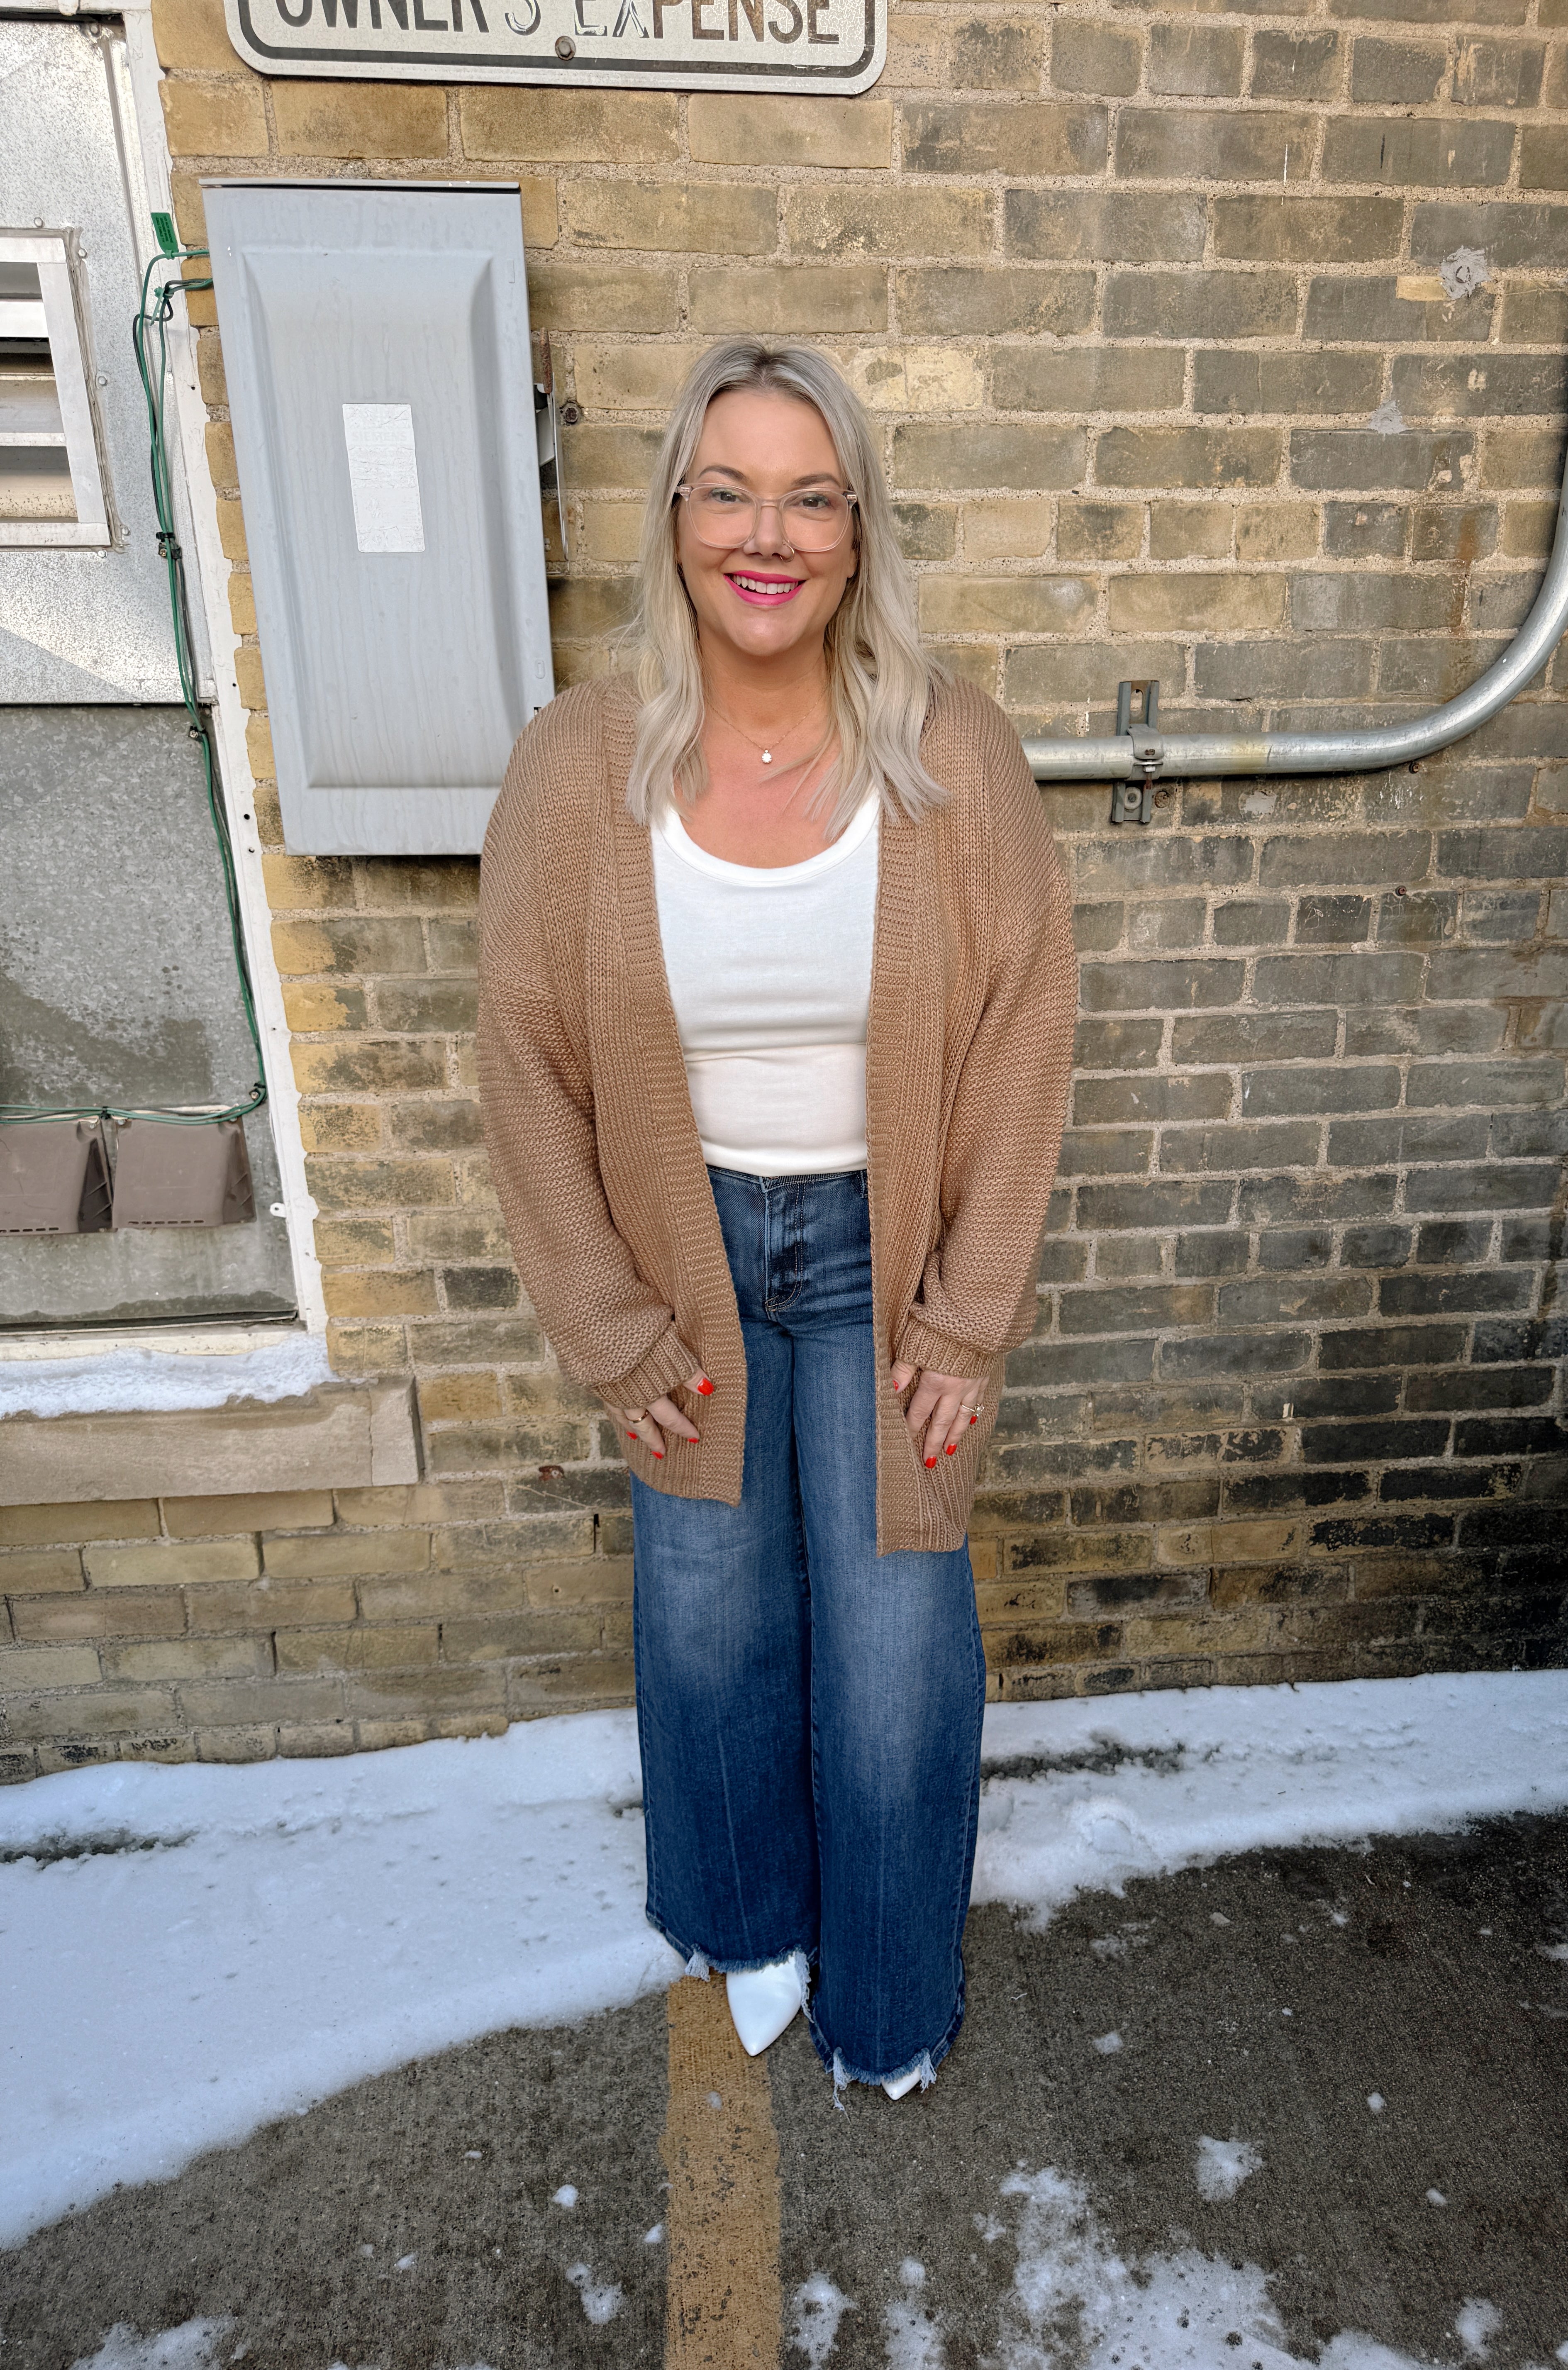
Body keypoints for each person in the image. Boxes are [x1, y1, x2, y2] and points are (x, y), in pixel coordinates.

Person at [478, 339, 1075, 2103]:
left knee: (896, 1645)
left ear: (857, 526)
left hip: (884, 1267)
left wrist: (968, 1321)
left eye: (813, 496)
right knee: (710, 1623)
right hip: (689, 1258)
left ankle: (887, 1996)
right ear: (674, 515)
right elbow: (520, 1054)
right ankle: (745, 1925)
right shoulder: (577, 769)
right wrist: (608, 1322)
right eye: (730, 488)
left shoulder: (946, 748)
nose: (770, 533)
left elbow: (1032, 1025)